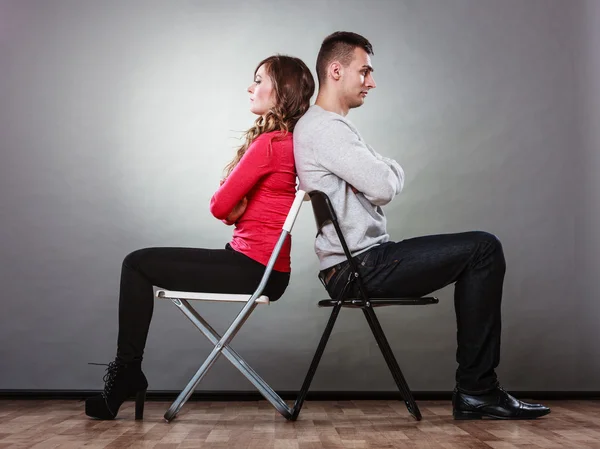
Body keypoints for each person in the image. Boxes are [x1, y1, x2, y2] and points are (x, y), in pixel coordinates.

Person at [293, 31, 550, 420]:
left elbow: (381, 179)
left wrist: (383, 171)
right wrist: (388, 169)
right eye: (364, 72)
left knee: (481, 249)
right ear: (335, 70)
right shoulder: (326, 130)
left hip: (359, 263)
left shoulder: (328, 128)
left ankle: (477, 390)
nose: (371, 82)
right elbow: (384, 184)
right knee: (483, 249)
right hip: (359, 267)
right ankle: (477, 390)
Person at [85, 55, 315, 420]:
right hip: (270, 270)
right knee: (141, 263)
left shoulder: (270, 144)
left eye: (258, 80)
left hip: (251, 268)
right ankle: (128, 372)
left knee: (136, 264)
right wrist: (236, 208)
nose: (250, 87)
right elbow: (231, 210)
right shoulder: (293, 143)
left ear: (281, 91)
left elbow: (219, 206)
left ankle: (128, 372)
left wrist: (234, 205)